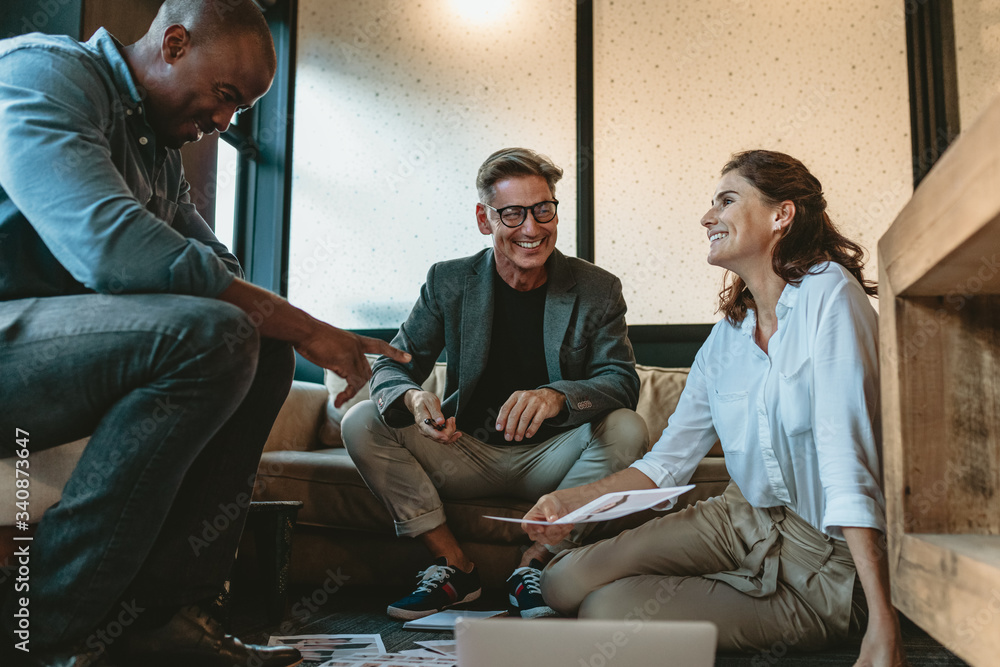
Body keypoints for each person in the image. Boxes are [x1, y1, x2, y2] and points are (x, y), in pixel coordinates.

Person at [0, 2, 407, 665]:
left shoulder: (153, 150)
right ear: (175, 43)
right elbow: (111, 247)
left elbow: (220, 268)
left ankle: (168, 618)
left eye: (236, 112)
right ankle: (40, 628)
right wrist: (310, 327)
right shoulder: (44, 76)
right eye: (224, 97)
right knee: (216, 332)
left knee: (259, 338)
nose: (222, 122)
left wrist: (294, 328)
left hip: (48, 357)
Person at [523, 150, 908, 666]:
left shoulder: (829, 295)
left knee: (604, 610)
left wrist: (884, 624)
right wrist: (572, 501)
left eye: (726, 201)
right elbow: (665, 465)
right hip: (738, 517)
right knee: (560, 582)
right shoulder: (728, 335)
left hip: (824, 556)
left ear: (781, 215)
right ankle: (732, 586)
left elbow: (847, 460)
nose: (708, 217)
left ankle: (752, 596)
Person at [341, 147, 648, 621]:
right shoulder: (449, 280)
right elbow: (392, 364)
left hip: (555, 455)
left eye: (544, 209)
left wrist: (556, 396)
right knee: (362, 419)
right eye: (513, 213)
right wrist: (412, 395)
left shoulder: (596, 288)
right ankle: (454, 567)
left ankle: (534, 566)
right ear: (485, 220)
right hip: (464, 448)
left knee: (628, 427)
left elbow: (621, 381)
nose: (532, 228)